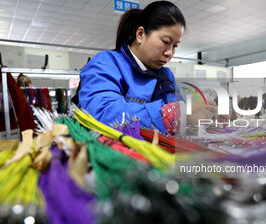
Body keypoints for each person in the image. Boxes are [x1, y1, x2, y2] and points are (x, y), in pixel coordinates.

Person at [79, 1, 220, 135]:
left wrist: (206, 118)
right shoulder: (106, 64)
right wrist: (177, 115)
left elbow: (182, 116)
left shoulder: (166, 76)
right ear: (140, 34)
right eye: (166, 42)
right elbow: (102, 115)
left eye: (175, 46)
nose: (170, 53)